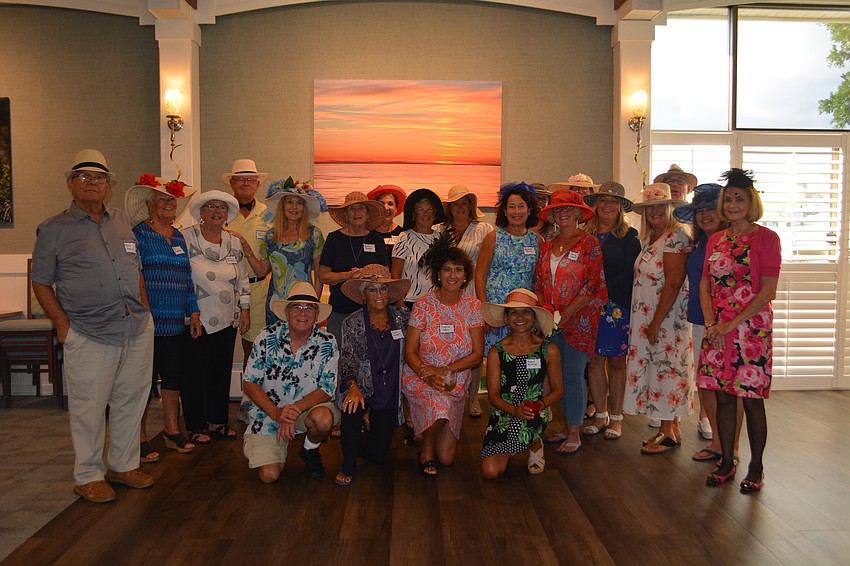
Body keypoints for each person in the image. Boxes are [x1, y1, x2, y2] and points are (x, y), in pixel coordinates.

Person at [31, 149, 155, 503]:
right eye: (84, 177)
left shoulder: (120, 220)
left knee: (130, 400)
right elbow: (40, 281)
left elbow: (137, 270)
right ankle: (87, 475)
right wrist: (62, 325)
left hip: (134, 327)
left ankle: (123, 465)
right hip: (88, 331)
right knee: (89, 406)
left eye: (99, 178)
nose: (92, 183)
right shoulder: (54, 229)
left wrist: (145, 311)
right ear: (70, 184)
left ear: (108, 187)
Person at [698, 169, 780, 493]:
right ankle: (726, 462)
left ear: (751, 202)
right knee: (722, 397)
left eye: (740, 198)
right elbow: (705, 282)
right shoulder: (716, 239)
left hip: (751, 330)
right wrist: (710, 322)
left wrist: (732, 322)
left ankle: (756, 467)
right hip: (718, 329)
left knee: (751, 400)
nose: (733, 204)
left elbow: (768, 291)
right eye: (728, 198)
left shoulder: (767, 238)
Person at [125, 173, 201, 462]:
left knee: (173, 379)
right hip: (148, 322)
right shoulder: (138, 234)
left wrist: (193, 311)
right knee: (143, 382)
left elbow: (187, 277)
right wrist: (145, 314)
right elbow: (135, 275)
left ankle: (171, 431)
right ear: (150, 204)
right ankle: (140, 437)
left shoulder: (179, 236)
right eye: (163, 199)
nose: (169, 204)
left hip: (176, 323)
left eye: (172, 199)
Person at [403, 233, 484, 476]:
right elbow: (410, 350)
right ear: (437, 274)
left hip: (454, 378)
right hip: (421, 375)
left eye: (458, 270)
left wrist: (447, 371)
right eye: (447, 270)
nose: (452, 276)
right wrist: (427, 373)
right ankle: (426, 450)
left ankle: (423, 430)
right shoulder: (423, 304)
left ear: (465, 276)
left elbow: (478, 354)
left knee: (447, 459)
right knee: (437, 404)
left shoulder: (472, 306)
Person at [242, 282, 340, 482]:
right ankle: (277, 447)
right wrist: (277, 413)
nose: (302, 313)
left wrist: (293, 410)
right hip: (270, 412)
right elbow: (250, 383)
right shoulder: (266, 337)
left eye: (309, 307)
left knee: (323, 419)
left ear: (316, 314)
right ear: (286, 313)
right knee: (269, 476)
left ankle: (310, 449)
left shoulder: (328, 341)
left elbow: (327, 389)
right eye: (297, 307)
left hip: (306, 410)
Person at [673, 184, 743, 464]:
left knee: (729, 386)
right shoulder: (701, 242)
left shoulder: (735, 241)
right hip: (701, 320)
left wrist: (725, 321)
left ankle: (733, 446)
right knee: (706, 382)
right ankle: (717, 439)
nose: (704, 215)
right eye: (699, 210)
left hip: (727, 323)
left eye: (710, 209)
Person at [623, 183, 695, 455]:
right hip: (650, 315)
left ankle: (668, 432)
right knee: (663, 367)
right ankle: (671, 427)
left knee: (668, 368)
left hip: (665, 317)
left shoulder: (676, 236)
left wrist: (655, 321)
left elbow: (674, 283)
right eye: (649, 207)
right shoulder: (651, 238)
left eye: (659, 206)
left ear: (669, 208)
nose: (654, 211)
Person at [534, 189, 607, 455]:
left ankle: (574, 430)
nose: (563, 212)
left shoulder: (590, 244)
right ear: (551, 215)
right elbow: (539, 283)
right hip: (549, 320)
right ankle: (566, 425)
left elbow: (592, 285)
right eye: (558, 209)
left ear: (579, 213)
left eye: (569, 208)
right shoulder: (546, 246)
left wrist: (565, 314)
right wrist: (546, 312)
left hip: (580, 320)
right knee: (556, 376)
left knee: (573, 374)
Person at [183, 190, 250, 444]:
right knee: (195, 372)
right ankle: (195, 424)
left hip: (227, 316)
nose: (216, 211)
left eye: (221, 208)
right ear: (201, 212)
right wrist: (192, 312)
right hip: (196, 316)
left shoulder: (233, 241)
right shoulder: (187, 238)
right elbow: (182, 276)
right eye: (210, 207)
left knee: (219, 371)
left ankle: (217, 421)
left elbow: (242, 277)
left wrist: (244, 309)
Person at [335, 265, 411, 486]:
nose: (378, 295)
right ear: (363, 295)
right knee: (352, 406)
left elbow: (417, 347)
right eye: (372, 290)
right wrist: (353, 387)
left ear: (389, 293)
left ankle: (356, 438)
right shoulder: (352, 322)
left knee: (378, 458)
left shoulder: (403, 317)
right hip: (361, 385)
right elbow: (347, 359)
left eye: (383, 289)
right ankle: (348, 464)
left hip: (389, 391)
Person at [480, 289, 563, 478]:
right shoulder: (496, 352)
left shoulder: (549, 350)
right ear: (507, 318)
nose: (520, 317)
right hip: (504, 411)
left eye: (526, 312)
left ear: (534, 317)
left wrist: (539, 405)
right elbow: (492, 396)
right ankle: (520, 443)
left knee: (523, 428)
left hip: (535, 410)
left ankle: (534, 443)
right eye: (514, 312)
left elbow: (558, 390)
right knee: (490, 472)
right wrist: (513, 410)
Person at [581, 181, 641, 440]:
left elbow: (631, 272)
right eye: (603, 200)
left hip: (617, 306)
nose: (607, 205)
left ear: (620, 207)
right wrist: (590, 296)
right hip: (588, 306)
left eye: (613, 201)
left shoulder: (630, 236)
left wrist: (602, 294)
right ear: (595, 205)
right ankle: (600, 414)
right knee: (594, 360)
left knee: (617, 361)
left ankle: (616, 418)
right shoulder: (584, 234)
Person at [436, 184, 493, 417]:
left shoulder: (485, 229)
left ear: (471, 206)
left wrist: (484, 305)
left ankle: (472, 398)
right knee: (446, 344)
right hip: (445, 295)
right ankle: (445, 392)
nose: (460, 207)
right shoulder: (438, 230)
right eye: (455, 203)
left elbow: (485, 269)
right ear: (448, 207)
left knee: (474, 348)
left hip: (472, 294)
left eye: (465, 202)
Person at [236, 177, 325, 325]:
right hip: (275, 303)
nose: (294, 207)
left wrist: (314, 304)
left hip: (303, 304)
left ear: (304, 208)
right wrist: (246, 248)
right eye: (290, 202)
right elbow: (261, 271)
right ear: (282, 206)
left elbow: (320, 276)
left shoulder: (314, 234)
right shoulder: (271, 236)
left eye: (299, 204)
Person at [476, 182, 542, 355]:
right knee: (494, 358)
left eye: (521, 206)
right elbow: (480, 276)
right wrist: (485, 311)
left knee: (522, 355)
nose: (516, 211)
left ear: (529, 210)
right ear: (504, 211)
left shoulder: (538, 241)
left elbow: (539, 279)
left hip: (524, 311)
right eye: (511, 207)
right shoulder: (493, 237)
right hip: (496, 310)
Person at [318, 191, 388, 343]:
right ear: (345, 214)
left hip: (371, 312)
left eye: (361, 208)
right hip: (340, 311)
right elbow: (323, 276)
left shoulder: (376, 239)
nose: (357, 212)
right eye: (352, 209)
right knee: (339, 358)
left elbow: (386, 275)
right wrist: (347, 276)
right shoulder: (334, 239)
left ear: (368, 214)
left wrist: (368, 274)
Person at [221, 159, 272, 366]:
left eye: (250, 179)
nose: (245, 183)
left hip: (257, 289)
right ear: (232, 183)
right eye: (240, 179)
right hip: (223, 290)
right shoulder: (220, 211)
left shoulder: (269, 214)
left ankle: (250, 398)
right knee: (220, 348)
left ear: (257, 184)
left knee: (254, 350)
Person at [392, 188, 449, 309]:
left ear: (435, 214)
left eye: (429, 210)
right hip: (410, 301)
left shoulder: (441, 238)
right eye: (421, 210)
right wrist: (399, 301)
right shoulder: (404, 237)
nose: (426, 214)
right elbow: (395, 274)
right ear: (413, 215)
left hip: (436, 301)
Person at [368, 184, 406, 257]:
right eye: (381, 203)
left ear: (396, 210)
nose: (385, 207)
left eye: (390, 204)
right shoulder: (366, 233)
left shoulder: (402, 235)